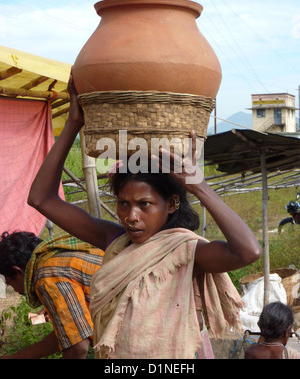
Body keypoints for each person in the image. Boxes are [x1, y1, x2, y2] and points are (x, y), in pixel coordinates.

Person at [27, 71, 262, 359]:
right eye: (124, 204)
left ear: (172, 204)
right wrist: (74, 124)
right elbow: (41, 198)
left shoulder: (187, 250)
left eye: (145, 204)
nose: (131, 216)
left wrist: (200, 187)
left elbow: (248, 252)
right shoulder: (115, 239)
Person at [0, 230, 104, 359]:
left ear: (18, 271)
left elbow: (77, 346)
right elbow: (71, 334)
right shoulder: (58, 257)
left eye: (10, 284)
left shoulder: (46, 276)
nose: (15, 290)